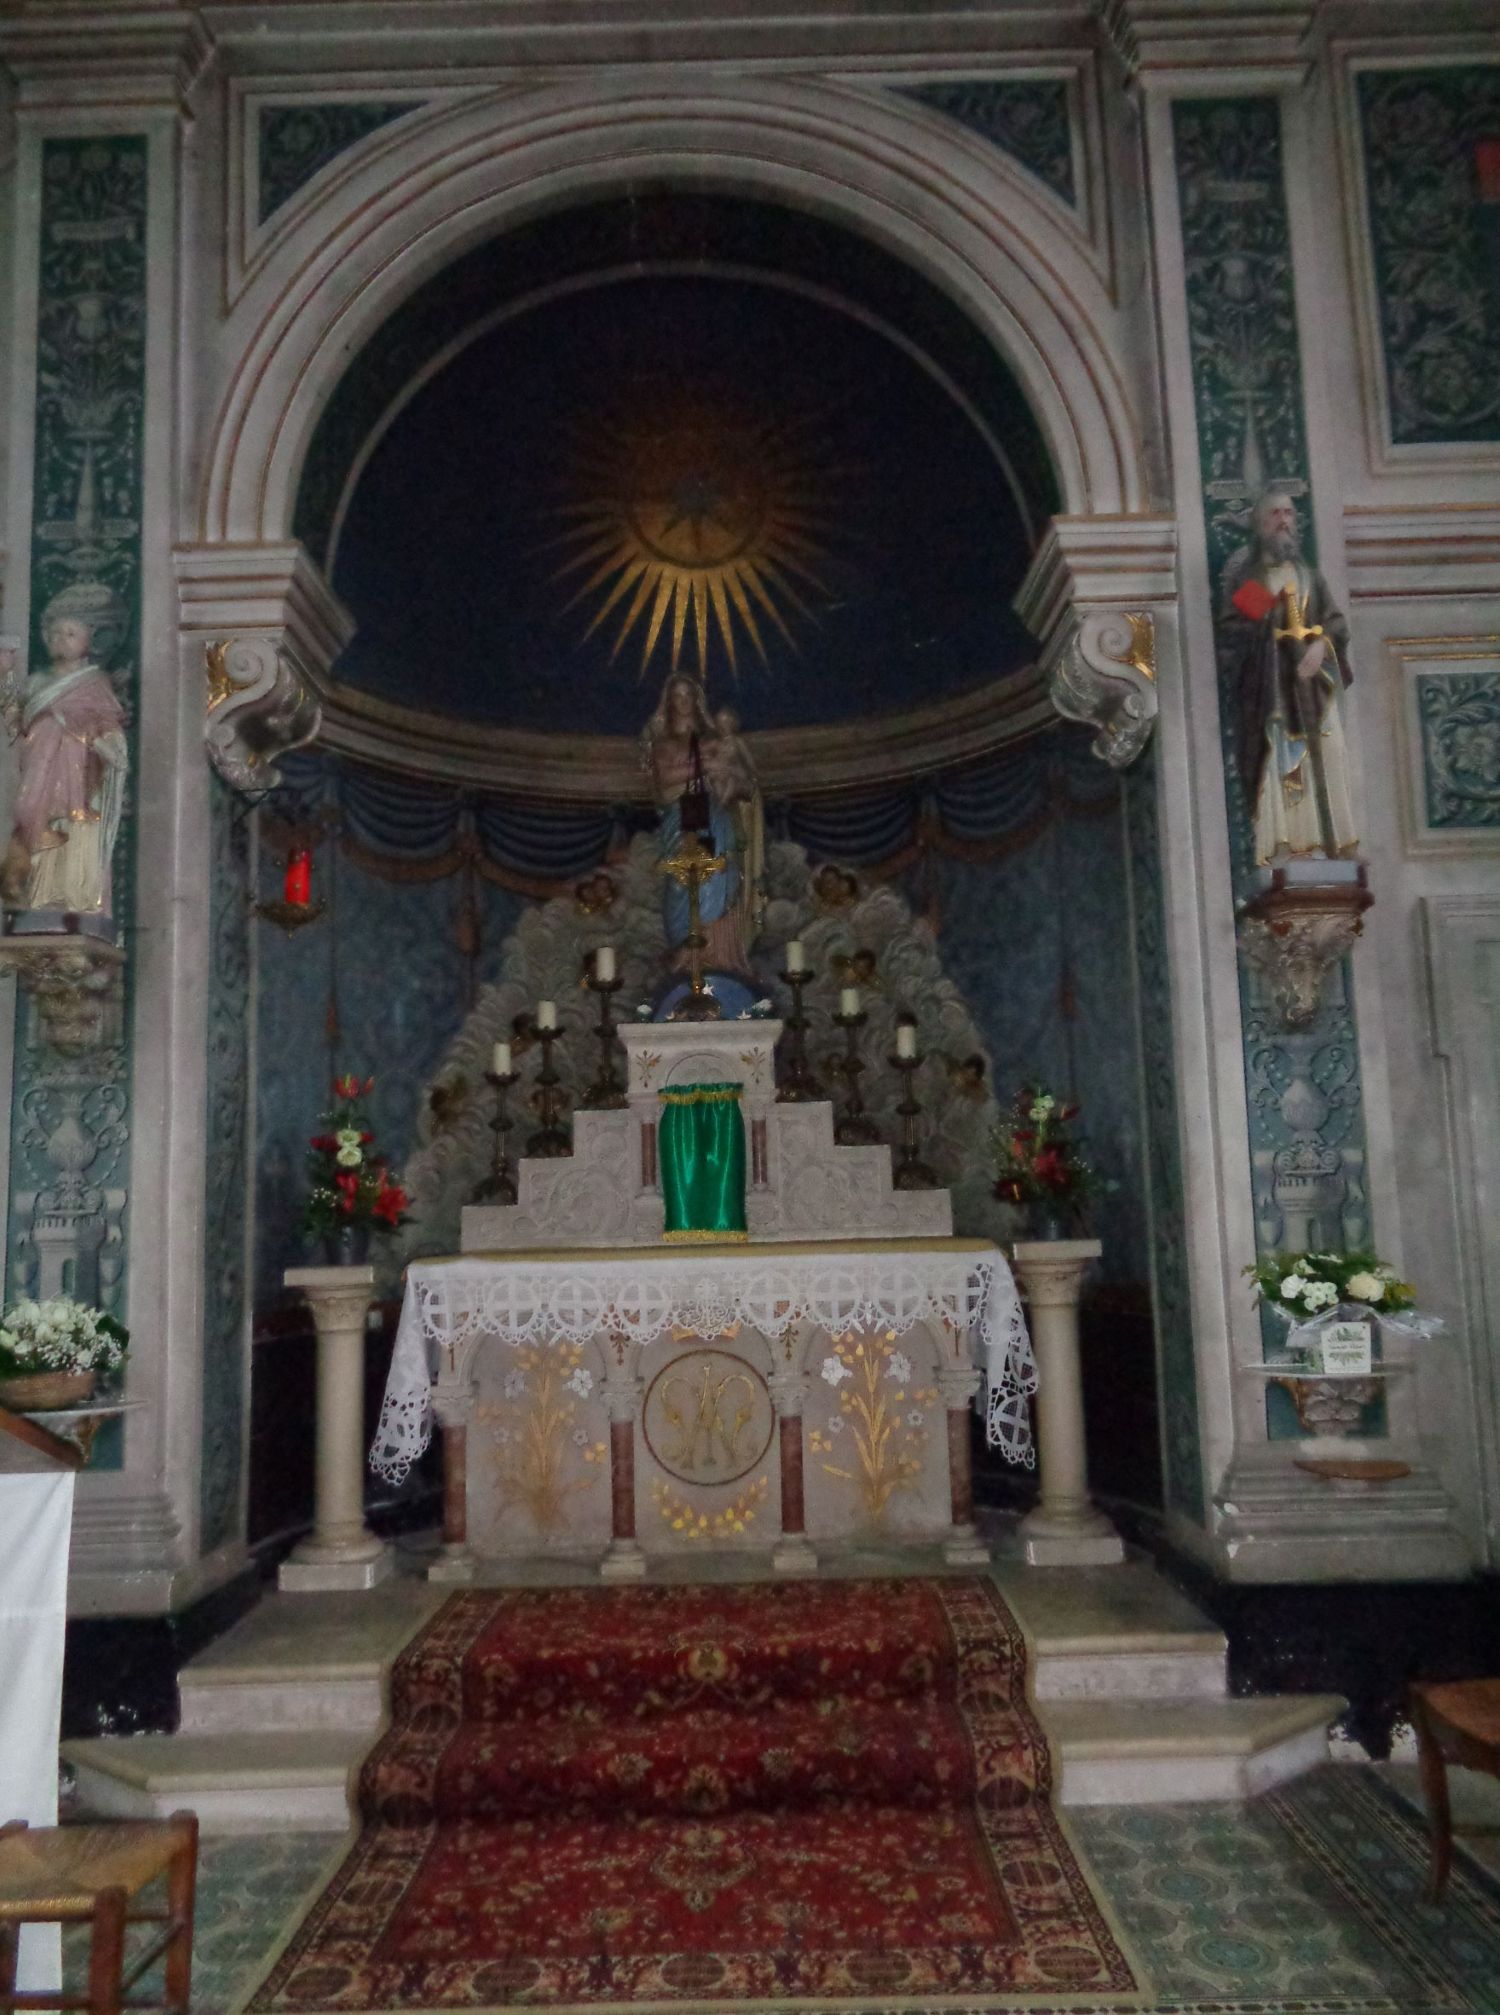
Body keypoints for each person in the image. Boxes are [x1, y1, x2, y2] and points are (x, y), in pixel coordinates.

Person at [1218, 488, 1358, 865]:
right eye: (1275, 514)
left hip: (1314, 690)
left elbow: (1336, 623)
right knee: (1282, 763)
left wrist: (1319, 646)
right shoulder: (1249, 581)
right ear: (1260, 525)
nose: (1283, 520)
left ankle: (1333, 844)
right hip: (1274, 693)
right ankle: (1286, 844)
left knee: (1325, 758)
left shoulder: (1309, 577)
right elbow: (1234, 636)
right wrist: (1272, 624)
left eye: (1289, 514)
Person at [2, 585, 128, 918]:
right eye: (56, 633)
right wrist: (5, 680)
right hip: (37, 769)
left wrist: (88, 734)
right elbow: (16, 725)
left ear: (89, 641)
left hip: (78, 773)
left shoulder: (94, 683)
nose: (61, 639)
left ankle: (72, 895)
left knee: (72, 827)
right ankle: (34, 892)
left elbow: (109, 727)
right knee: (31, 818)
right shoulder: (35, 683)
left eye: (71, 633)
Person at [641, 673, 763, 976]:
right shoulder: (663, 743)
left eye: (688, 695)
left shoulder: (715, 740)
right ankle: (685, 958)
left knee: (720, 872)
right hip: (681, 819)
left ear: (697, 701)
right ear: (668, 703)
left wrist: (726, 772)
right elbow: (665, 781)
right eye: (677, 696)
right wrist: (705, 763)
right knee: (684, 880)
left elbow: (745, 781)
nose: (683, 702)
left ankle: (719, 958)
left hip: (715, 816)